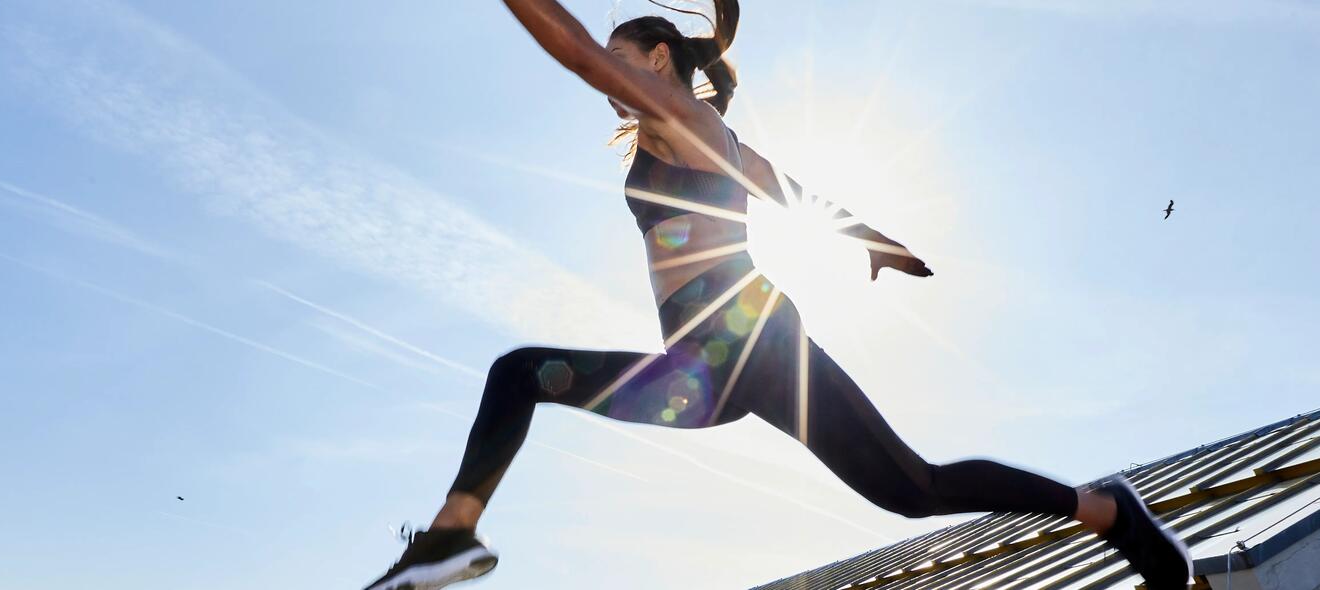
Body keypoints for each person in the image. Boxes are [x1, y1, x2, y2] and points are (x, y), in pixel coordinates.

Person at [363, 1, 1192, 588]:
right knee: (522, 373)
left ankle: (1103, 510)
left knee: (914, 489)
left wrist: (870, 240)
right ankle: (453, 537)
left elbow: (577, 51)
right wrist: (870, 240)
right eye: (612, 66)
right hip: (696, 369)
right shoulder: (705, 133)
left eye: (625, 61)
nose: (610, 77)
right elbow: (781, 185)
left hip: (756, 344)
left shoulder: (676, 113)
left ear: (658, 62)